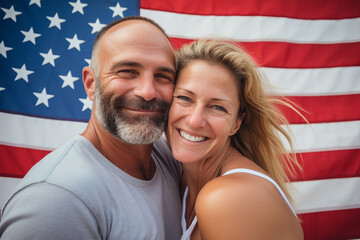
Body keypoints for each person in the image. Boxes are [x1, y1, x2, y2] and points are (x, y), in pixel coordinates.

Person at [0, 16, 182, 239]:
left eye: (163, 76)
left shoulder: (172, 157)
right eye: (127, 71)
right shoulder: (55, 198)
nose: (148, 91)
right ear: (90, 84)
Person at [165, 40, 304, 239]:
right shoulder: (178, 177)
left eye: (218, 107)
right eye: (185, 98)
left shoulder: (227, 197)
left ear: (237, 123)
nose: (195, 121)